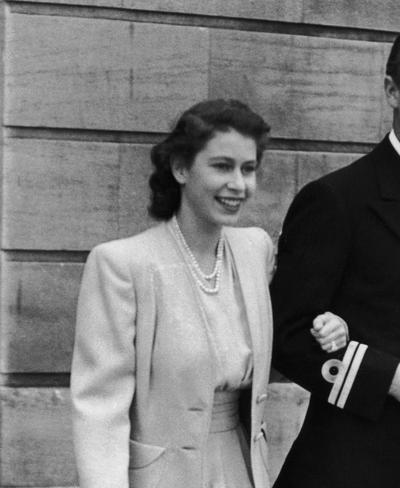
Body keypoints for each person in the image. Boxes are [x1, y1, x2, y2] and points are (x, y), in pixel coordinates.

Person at [70, 99, 348, 488]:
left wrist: (331, 323)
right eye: (222, 167)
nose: (239, 184)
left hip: (243, 467)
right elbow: (100, 410)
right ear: (181, 168)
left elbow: (287, 331)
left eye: (248, 169)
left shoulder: (255, 250)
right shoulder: (122, 265)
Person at [271, 19, 400, 488]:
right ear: (392, 90)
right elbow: (286, 335)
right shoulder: (338, 199)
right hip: (359, 462)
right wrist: (387, 376)